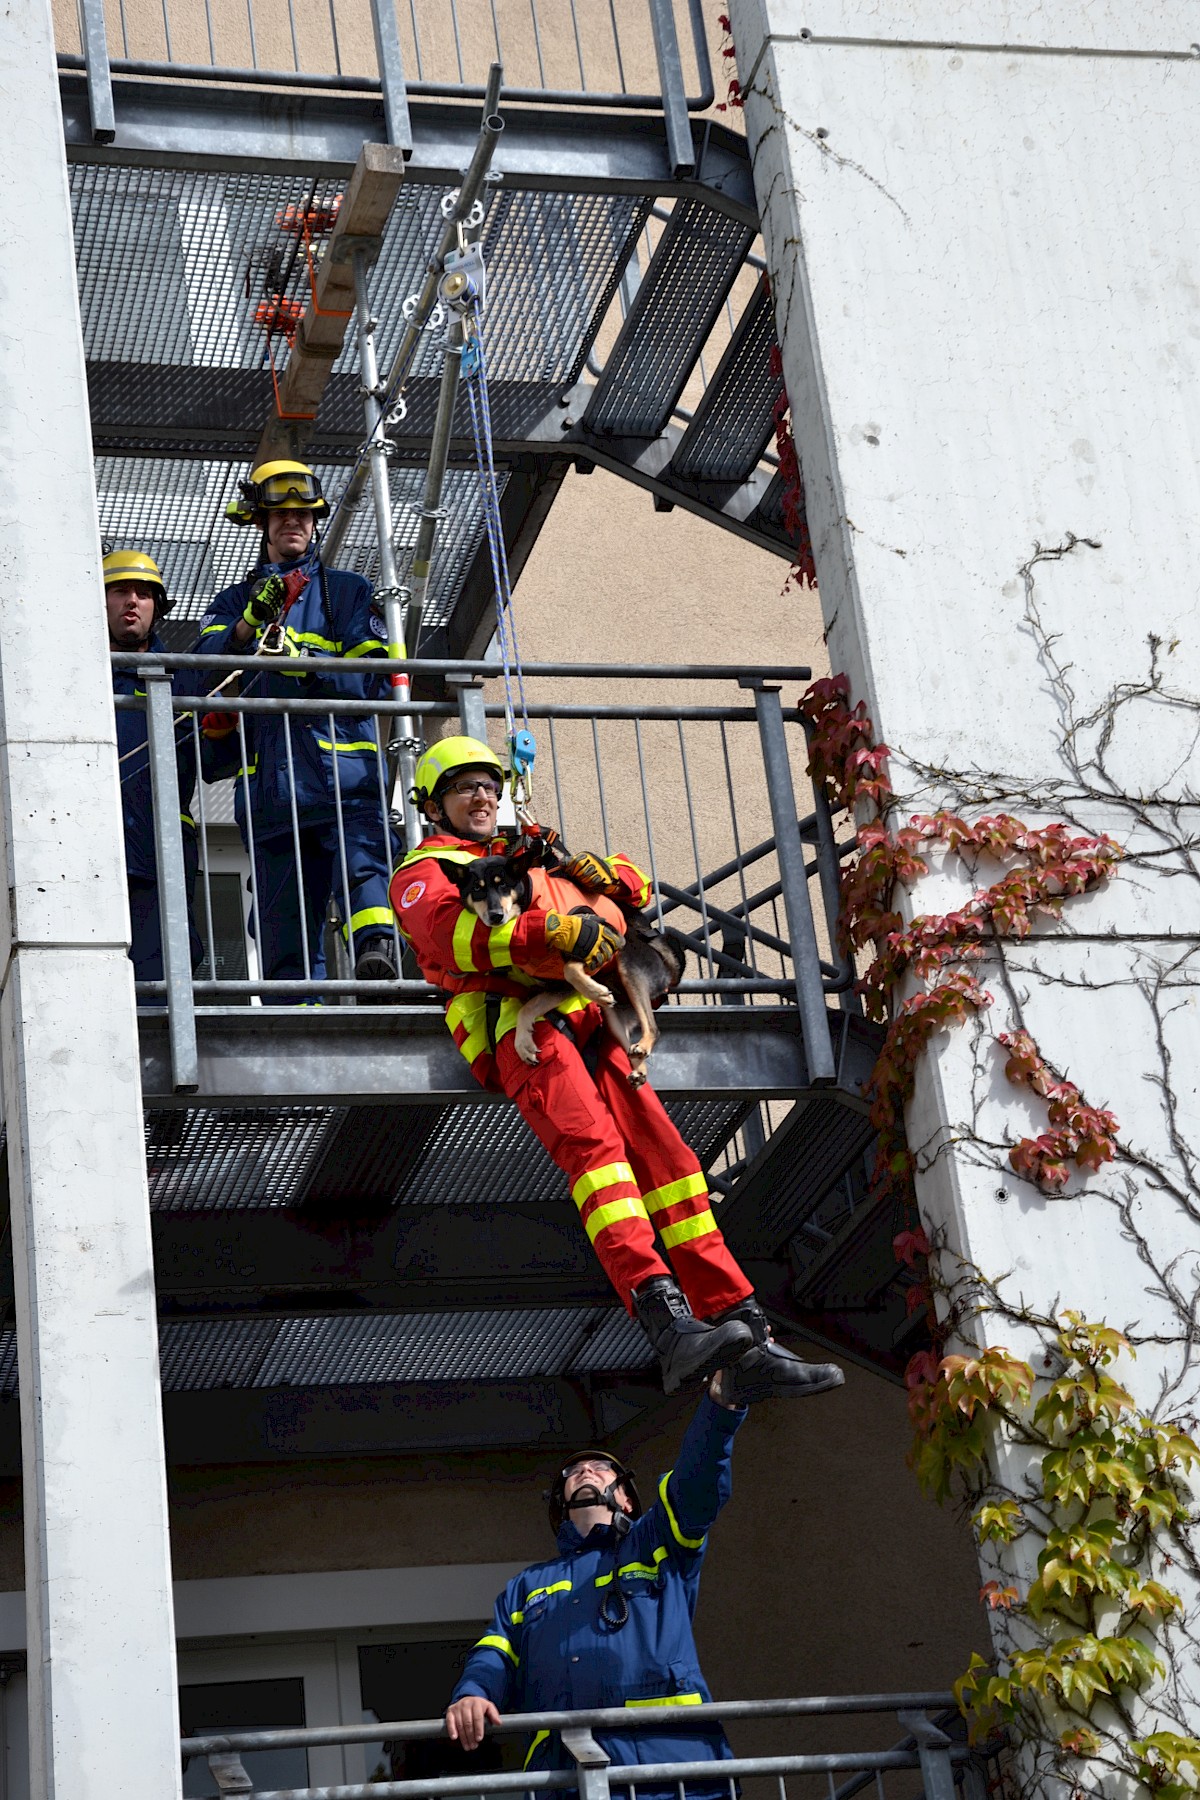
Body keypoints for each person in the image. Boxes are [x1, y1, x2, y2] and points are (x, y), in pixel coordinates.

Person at [390, 735, 845, 1404]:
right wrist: (553, 934)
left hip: (585, 1013)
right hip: (521, 1028)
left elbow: (621, 895)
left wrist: (605, 879)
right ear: (434, 806)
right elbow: (457, 937)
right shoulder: (426, 870)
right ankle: (669, 1328)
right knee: (598, 1158)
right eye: (463, 788)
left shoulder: (528, 856)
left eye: (489, 784)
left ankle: (746, 1327)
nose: (481, 795)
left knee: (670, 1160)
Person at [445, 1379, 746, 1791]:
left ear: (626, 1498)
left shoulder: (658, 1541)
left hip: (673, 1768)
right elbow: (494, 1653)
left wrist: (721, 1405)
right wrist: (473, 1692)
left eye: (602, 1468)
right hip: (566, 1779)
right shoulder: (526, 1586)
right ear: (561, 1505)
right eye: (573, 1471)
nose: (585, 1470)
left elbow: (698, 1481)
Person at [195, 460, 399, 998]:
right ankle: (300, 1010)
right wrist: (246, 628)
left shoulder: (349, 593)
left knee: (365, 878)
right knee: (281, 923)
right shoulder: (232, 603)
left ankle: (379, 961)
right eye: (281, 514)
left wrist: (303, 661)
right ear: (261, 521)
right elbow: (195, 672)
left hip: (343, 780)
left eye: (303, 515)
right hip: (270, 796)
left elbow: (377, 686)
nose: (294, 523)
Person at [105, 548, 203, 986]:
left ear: (156, 608)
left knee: (162, 971)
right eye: (121, 591)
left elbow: (215, 763)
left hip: (160, 849)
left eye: (143, 594)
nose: (132, 602)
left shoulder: (179, 678)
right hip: (88, 847)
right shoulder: (72, 675)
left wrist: (219, 731)